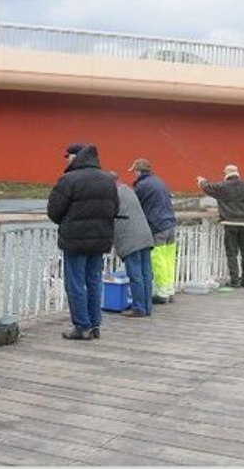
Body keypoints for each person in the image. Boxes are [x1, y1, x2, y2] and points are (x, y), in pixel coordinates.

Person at [47, 143, 119, 340]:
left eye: (68, 156)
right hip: (100, 240)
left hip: (75, 240)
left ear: (76, 157)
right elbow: (115, 209)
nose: (66, 160)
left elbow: (54, 211)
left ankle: (81, 326)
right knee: (94, 281)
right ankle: (95, 325)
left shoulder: (69, 179)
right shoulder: (107, 180)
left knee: (75, 283)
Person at [196, 165, 244, 288]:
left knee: (232, 252)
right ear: (237, 173)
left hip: (229, 223)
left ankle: (235, 280)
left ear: (226, 174)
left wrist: (201, 181)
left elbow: (208, 188)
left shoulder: (222, 186)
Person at [129, 158, 179, 305]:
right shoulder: (158, 181)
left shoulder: (141, 186)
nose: (134, 175)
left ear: (138, 171)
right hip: (169, 224)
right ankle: (169, 291)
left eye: (134, 172)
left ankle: (161, 293)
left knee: (157, 260)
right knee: (169, 260)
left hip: (157, 226)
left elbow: (133, 205)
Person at [108, 172, 155, 317]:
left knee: (135, 274)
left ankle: (139, 308)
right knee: (146, 273)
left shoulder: (114, 195)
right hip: (145, 235)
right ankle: (147, 307)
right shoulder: (128, 190)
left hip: (130, 239)